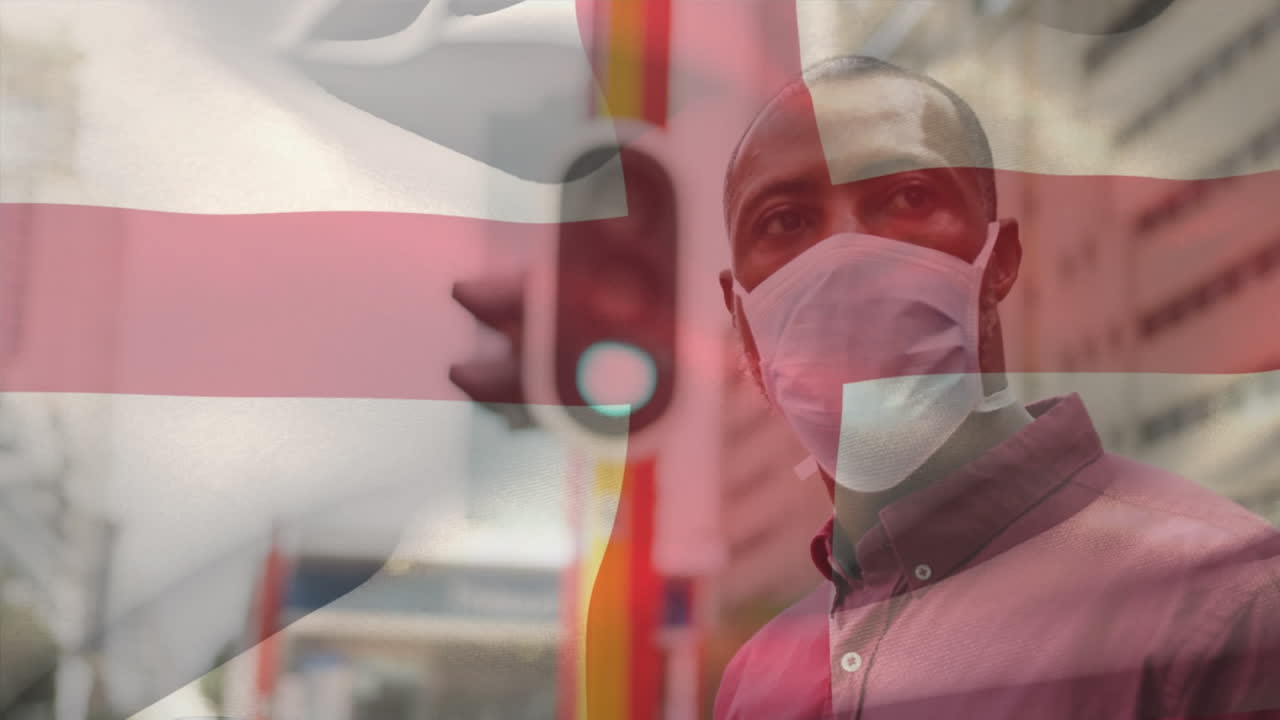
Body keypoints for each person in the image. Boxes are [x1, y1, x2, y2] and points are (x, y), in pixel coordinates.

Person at [712, 55, 1280, 720]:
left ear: (998, 262)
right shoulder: (757, 679)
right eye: (784, 221)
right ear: (740, 315)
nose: (845, 254)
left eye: (908, 197)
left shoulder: (1221, 605)